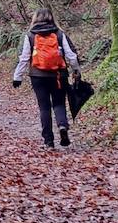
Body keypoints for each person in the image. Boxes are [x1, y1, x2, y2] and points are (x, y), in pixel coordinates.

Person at [12, 8, 81, 148]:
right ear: (51, 17)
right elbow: (71, 56)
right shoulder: (59, 34)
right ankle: (62, 126)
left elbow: (24, 58)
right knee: (59, 104)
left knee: (44, 107)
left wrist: (17, 77)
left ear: (35, 18)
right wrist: (76, 71)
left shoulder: (30, 35)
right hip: (58, 75)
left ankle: (49, 141)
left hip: (37, 76)